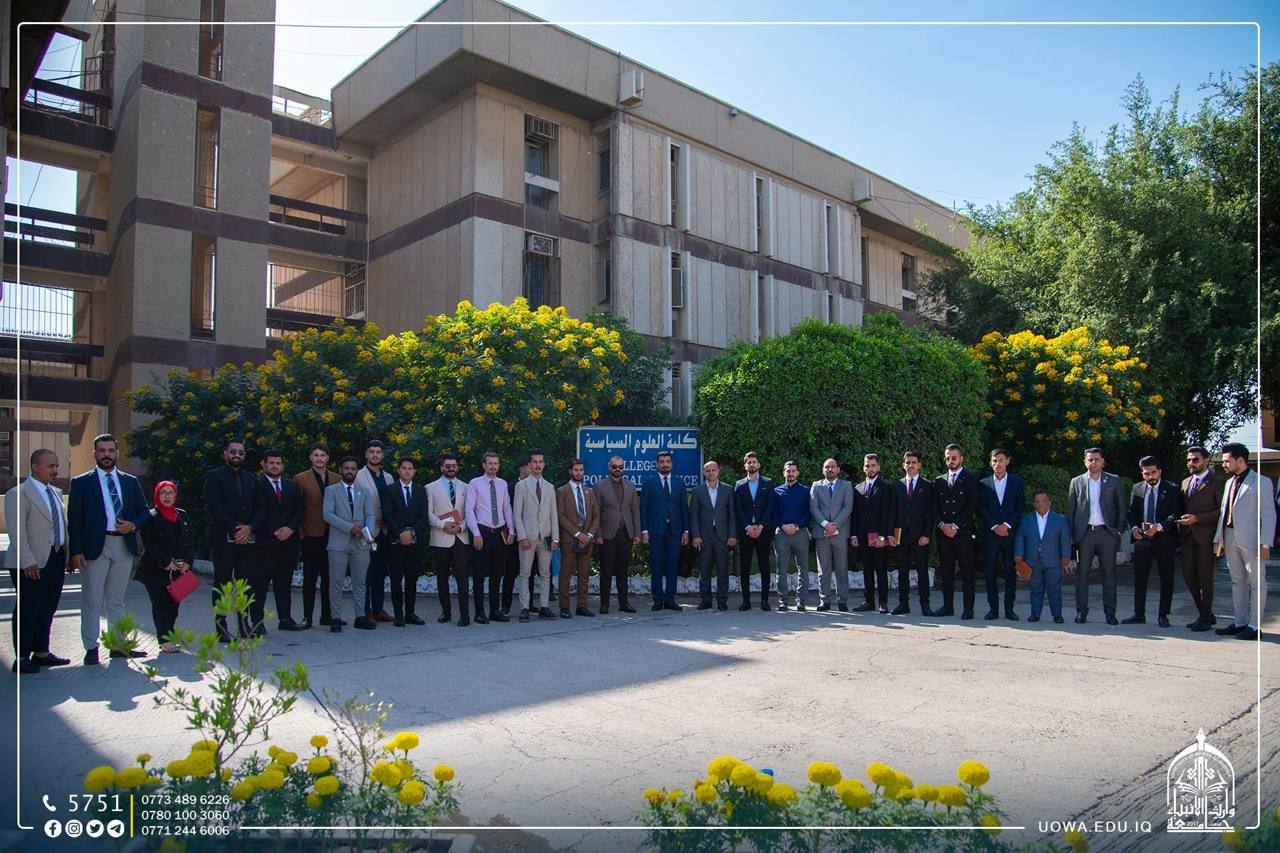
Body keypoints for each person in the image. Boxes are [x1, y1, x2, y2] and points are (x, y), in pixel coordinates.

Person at [69, 433, 151, 664]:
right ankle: (91, 648)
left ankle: (118, 645)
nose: (106, 455)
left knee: (116, 600)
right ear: (94, 453)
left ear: (117, 453)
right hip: (95, 547)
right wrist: (76, 551)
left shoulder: (130, 481)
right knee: (92, 600)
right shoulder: (81, 482)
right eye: (102, 451)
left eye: (110, 451)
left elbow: (144, 511)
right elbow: (74, 520)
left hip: (123, 545)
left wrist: (133, 525)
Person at [4, 449, 70, 673]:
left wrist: (68, 555)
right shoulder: (18, 494)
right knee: (28, 608)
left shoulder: (56, 492)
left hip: (55, 557)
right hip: (30, 563)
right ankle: (22, 657)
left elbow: (61, 526)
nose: (55, 470)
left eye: (56, 465)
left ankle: (42, 652)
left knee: (48, 607)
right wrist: (27, 561)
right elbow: (17, 532)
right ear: (35, 466)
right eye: (50, 466)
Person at [1212, 443, 1276, 641]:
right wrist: (1218, 538)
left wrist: (1265, 543)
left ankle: (1255, 626)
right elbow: (1224, 512)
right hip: (1229, 536)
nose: (1224, 464)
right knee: (1236, 580)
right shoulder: (1229, 482)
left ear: (1240, 460)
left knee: (1257, 582)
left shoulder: (1261, 481)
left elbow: (1269, 514)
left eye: (1227, 461)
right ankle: (1239, 622)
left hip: (1252, 540)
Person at [204, 439, 260, 642]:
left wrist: (249, 527)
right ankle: (221, 628)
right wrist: (236, 529)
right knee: (222, 584)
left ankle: (244, 625)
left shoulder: (251, 478)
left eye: (241, 452)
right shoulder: (214, 476)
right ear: (225, 454)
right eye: (233, 451)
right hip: (223, 538)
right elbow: (215, 507)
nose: (237, 455)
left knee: (245, 584)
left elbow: (260, 507)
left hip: (247, 538)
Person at [1065, 447, 1125, 625]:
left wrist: (1118, 531)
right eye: (1090, 459)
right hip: (1085, 535)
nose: (1093, 463)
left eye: (1096, 459)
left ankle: (1110, 613)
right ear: (1085, 462)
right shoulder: (1076, 481)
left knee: (1109, 575)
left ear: (1102, 461)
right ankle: (1081, 611)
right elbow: (1071, 511)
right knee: (1082, 575)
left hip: (1107, 534)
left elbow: (1122, 507)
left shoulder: (1113, 480)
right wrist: (1072, 535)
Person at [136, 481, 195, 653]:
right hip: (156, 569)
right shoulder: (150, 516)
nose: (167, 496)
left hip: (179, 569)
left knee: (173, 605)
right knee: (161, 605)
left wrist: (187, 561)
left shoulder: (182, 514)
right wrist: (166, 562)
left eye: (171, 492)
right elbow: (150, 544)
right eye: (163, 493)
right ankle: (164, 640)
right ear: (157, 495)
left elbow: (190, 540)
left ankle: (169, 635)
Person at [1125, 456, 1183, 627]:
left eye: (1153, 472)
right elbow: (1132, 513)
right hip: (1142, 541)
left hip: (1164, 540)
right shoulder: (1137, 488)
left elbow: (1175, 514)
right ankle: (1139, 614)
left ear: (1159, 471)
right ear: (1142, 474)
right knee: (1140, 578)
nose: (1150, 476)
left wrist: (1158, 527)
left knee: (1166, 579)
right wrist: (1134, 528)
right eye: (1146, 473)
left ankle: (1163, 615)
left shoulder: (1172, 489)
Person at [253, 449, 303, 635]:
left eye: (278, 463)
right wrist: (274, 530)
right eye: (271, 463)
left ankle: (285, 619)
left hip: (287, 543)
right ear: (264, 464)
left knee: (284, 584)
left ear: (282, 465)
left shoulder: (292, 485)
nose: (275, 466)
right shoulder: (257, 485)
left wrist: (290, 528)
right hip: (265, 544)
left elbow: (299, 510)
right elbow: (258, 510)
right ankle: (257, 622)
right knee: (260, 586)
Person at [323, 457, 376, 632]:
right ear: (341, 469)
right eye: (347, 468)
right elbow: (328, 515)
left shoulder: (364, 491)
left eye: (353, 469)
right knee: (336, 582)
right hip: (338, 543)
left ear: (356, 471)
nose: (350, 471)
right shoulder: (331, 490)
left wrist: (368, 532)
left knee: (360, 581)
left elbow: (370, 514)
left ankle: (360, 616)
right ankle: (336, 618)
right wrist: (350, 528)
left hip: (361, 543)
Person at [1176, 446, 1224, 631]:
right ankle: (1206, 614)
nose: (1191, 463)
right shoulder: (1185, 482)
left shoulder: (1217, 483)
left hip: (1206, 538)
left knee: (1205, 579)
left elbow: (1222, 511)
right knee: (1189, 576)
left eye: (1195, 460)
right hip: (1187, 537)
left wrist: (1197, 519)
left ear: (1205, 460)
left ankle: (1204, 619)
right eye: (1188, 460)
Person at [465, 452, 515, 623]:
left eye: (495, 463)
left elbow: (507, 508)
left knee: (497, 573)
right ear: (484, 465)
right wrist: (476, 534)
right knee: (479, 575)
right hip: (483, 532)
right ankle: (479, 612)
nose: (493, 466)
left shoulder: (502, 484)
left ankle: (494, 610)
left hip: (500, 533)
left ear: (499, 465)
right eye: (490, 463)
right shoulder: (475, 483)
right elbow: (469, 509)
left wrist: (511, 531)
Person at [931, 444, 979, 619]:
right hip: (944, 533)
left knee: (967, 572)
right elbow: (934, 507)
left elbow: (971, 505)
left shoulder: (971, 479)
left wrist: (955, 526)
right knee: (946, 571)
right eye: (947, 458)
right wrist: (942, 525)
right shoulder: (939, 481)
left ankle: (968, 608)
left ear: (961, 459)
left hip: (963, 532)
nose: (950, 461)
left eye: (954, 458)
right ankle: (947, 606)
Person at [294, 442, 339, 629]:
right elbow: (297, 508)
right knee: (310, 579)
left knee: (329, 578)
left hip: (332, 534)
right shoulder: (300, 478)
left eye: (322, 455)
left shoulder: (337, 478)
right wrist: (301, 533)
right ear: (311, 458)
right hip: (310, 534)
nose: (319, 459)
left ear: (327, 458)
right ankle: (307, 617)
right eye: (316, 455)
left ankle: (327, 616)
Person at [640, 450, 690, 611]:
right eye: (662, 462)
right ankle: (657, 599)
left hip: (674, 531)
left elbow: (684, 508)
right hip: (655, 531)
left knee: (672, 566)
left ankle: (670, 599)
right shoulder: (649, 483)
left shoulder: (679, 483)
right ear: (657, 464)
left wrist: (686, 530)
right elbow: (643, 508)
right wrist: (644, 531)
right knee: (656, 566)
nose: (665, 464)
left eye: (668, 461)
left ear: (672, 464)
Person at [979, 448, 1025, 621]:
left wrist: (1006, 525)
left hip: (1009, 534)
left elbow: (1020, 506)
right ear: (990, 463)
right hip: (991, 534)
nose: (997, 464)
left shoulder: (1016, 482)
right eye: (994, 461)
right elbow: (981, 508)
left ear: (1007, 461)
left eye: (1000, 460)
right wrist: (994, 526)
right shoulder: (983, 483)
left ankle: (1009, 609)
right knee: (990, 572)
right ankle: (993, 609)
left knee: (1010, 572)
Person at [513, 449, 559, 622]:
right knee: (525, 573)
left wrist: (555, 538)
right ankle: (525, 607)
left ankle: (544, 606)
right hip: (528, 537)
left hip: (546, 537)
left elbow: (553, 515)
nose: (538, 465)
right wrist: (522, 537)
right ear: (530, 465)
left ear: (544, 464)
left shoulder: (549, 487)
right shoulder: (521, 486)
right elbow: (517, 514)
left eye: (541, 462)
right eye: (535, 462)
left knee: (545, 573)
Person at [1014, 490, 1072, 623]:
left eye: (1043, 501)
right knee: (1035, 588)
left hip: (1053, 560)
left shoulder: (1060, 519)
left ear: (1049, 503)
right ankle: (1035, 614)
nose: (1041, 504)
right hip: (1033, 560)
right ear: (1034, 504)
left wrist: (1066, 556)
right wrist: (1018, 553)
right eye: (1037, 501)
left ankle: (1057, 615)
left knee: (1054, 588)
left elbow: (1065, 539)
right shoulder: (1026, 519)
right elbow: (1020, 537)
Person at [427, 453, 470, 626]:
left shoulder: (467, 487)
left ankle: (465, 615)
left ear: (457, 467)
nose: (451, 468)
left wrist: (462, 527)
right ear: (442, 468)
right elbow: (428, 512)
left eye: (453, 466)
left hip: (460, 536)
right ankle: (446, 612)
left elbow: (470, 512)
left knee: (462, 577)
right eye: (447, 466)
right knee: (442, 577)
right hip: (440, 537)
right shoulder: (430, 487)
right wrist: (442, 525)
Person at [384, 457, 429, 627]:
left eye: (410, 468)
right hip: (396, 541)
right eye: (404, 468)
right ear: (398, 470)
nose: (407, 471)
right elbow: (388, 514)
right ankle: (398, 615)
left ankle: (410, 613)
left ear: (414, 471)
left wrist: (412, 533)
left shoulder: (420, 491)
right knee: (396, 579)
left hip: (414, 541)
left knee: (412, 579)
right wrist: (401, 533)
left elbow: (423, 515)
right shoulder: (390, 490)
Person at [593, 454, 640, 614]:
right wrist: (597, 534)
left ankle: (624, 603)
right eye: (614, 467)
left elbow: (635, 511)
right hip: (607, 534)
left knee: (623, 570)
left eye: (620, 467)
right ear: (609, 467)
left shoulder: (630, 486)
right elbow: (596, 513)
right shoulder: (599, 486)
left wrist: (637, 533)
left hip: (626, 533)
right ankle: (604, 604)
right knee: (606, 571)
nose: (617, 469)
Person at [690, 460, 738, 611]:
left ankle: (722, 600)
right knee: (704, 571)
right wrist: (695, 535)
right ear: (704, 473)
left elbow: (732, 514)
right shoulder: (697, 491)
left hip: (722, 537)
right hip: (704, 537)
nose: (711, 473)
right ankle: (706, 600)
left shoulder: (728, 490)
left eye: (713, 470)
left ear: (718, 471)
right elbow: (694, 515)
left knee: (723, 571)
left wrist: (732, 535)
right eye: (708, 470)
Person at [355, 440, 394, 622]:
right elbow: (356, 505)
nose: (375, 455)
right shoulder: (359, 476)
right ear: (366, 454)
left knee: (380, 571)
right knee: (366, 573)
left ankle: (378, 609)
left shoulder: (389, 477)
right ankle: (366, 610)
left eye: (378, 452)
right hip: (368, 531)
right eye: (372, 451)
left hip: (385, 531)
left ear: (382, 455)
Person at [556, 459, 600, 618]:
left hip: (586, 539)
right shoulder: (562, 491)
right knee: (565, 574)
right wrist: (577, 534)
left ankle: (582, 606)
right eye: (576, 470)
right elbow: (560, 515)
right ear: (570, 471)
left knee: (584, 574)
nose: (579, 473)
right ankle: (564, 607)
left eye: (581, 470)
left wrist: (589, 535)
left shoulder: (589, 491)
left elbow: (596, 515)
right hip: (570, 538)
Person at [733, 451, 776, 611]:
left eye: (754, 462)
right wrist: (747, 526)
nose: (751, 465)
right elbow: (738, 509)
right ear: (745, 466)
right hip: (746, 532)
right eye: (749, 462)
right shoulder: (739, 485)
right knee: (745, 567)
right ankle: (746, 601)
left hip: (762, 531)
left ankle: (765, 601)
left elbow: (769, 506)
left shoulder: (768, 483)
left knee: (765, 566)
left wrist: (761, 525)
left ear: (759, 464)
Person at [810, 458, 854, 612]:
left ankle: (842, 600)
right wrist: (825, 524)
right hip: (821, 533)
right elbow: (814, 508)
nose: (829, 469)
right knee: (823, 570)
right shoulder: (816, 486)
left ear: (838, 469)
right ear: (823, 470)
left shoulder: (846, 486)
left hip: (839, 533)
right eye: (826, 467)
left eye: (832, 467)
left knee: (841, 567)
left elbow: (847, 507)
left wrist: (834, 526)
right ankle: (824, 600)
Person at [892, 451, 933, 616]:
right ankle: (903, 603)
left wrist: (927, 534)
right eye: (907, 462)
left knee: (922, 571)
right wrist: (892, 535)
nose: (910, 465)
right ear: (903, 465)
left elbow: (930, 513)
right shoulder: (897, 486)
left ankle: (925, 604)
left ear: (919, 465)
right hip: (901, 535)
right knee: (902, 570)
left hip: (920, 535)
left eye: (913, 462)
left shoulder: (927, 485)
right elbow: (892, 512)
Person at [853, 454, 894, 614]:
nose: (870, 468)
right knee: (867, 569)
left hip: (879, 536)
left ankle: (883, 602)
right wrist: (854, 535)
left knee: (881, 569)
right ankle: (868, 601)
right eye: (867, 466)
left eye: (873, 465)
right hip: (863, 536)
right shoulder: (858, 488)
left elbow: (887, 514)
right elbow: (855, 515)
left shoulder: (885, 488)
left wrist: (883, 536)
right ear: (864, 468)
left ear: (878, 467)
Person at [773, 461, 811, 610]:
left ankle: (801, 600)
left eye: (793, 471)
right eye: (788, 471)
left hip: (800, 533)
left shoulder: (805, 491)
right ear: (784, 472)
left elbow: (808, 513)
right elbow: (773, 512)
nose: (791, 473)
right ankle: (783, 600)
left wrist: (796, 526)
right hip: (781, 533)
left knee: (803, 568)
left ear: (798, 473)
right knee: (781, 569)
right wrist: (783, 526)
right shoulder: (776, 491)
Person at [502, 454, 532, 616]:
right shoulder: (511, 487)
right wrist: (510, 532)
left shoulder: (536, 486)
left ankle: (529, 605)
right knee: (510, 570)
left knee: (530, 570)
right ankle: (505, 605)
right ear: (522, 468)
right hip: (514, 535)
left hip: (532, 535)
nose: (532, 469)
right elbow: (506, 511)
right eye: (529, 466)